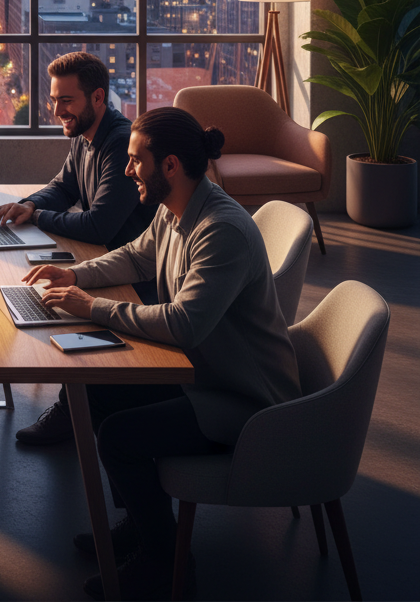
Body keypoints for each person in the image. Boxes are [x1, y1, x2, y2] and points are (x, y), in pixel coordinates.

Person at [22, 107, 300, 601]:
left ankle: (164, 560)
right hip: (205, 374)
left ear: (169, 165)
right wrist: (74, 275)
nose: (127, 171)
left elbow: (183, 323)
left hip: (244, 401)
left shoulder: (220, 230)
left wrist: (93, 307)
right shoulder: (177, 210)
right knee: (102, 391)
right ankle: (142, 525)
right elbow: (135, 255)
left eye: (134, 160)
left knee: (120, 437)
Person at [0, 52, 156, 446]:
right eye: (53, 100)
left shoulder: (118, 142)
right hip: (103, 257)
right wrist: (30, 204)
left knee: (53, 299)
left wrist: (36, 218)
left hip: (134, 276)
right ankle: (80, 402)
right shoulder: (85, 136)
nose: (56, 109)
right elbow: (63, 188)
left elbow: (100, 223)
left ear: (97, 98)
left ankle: (75, 409)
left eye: (66, 100)